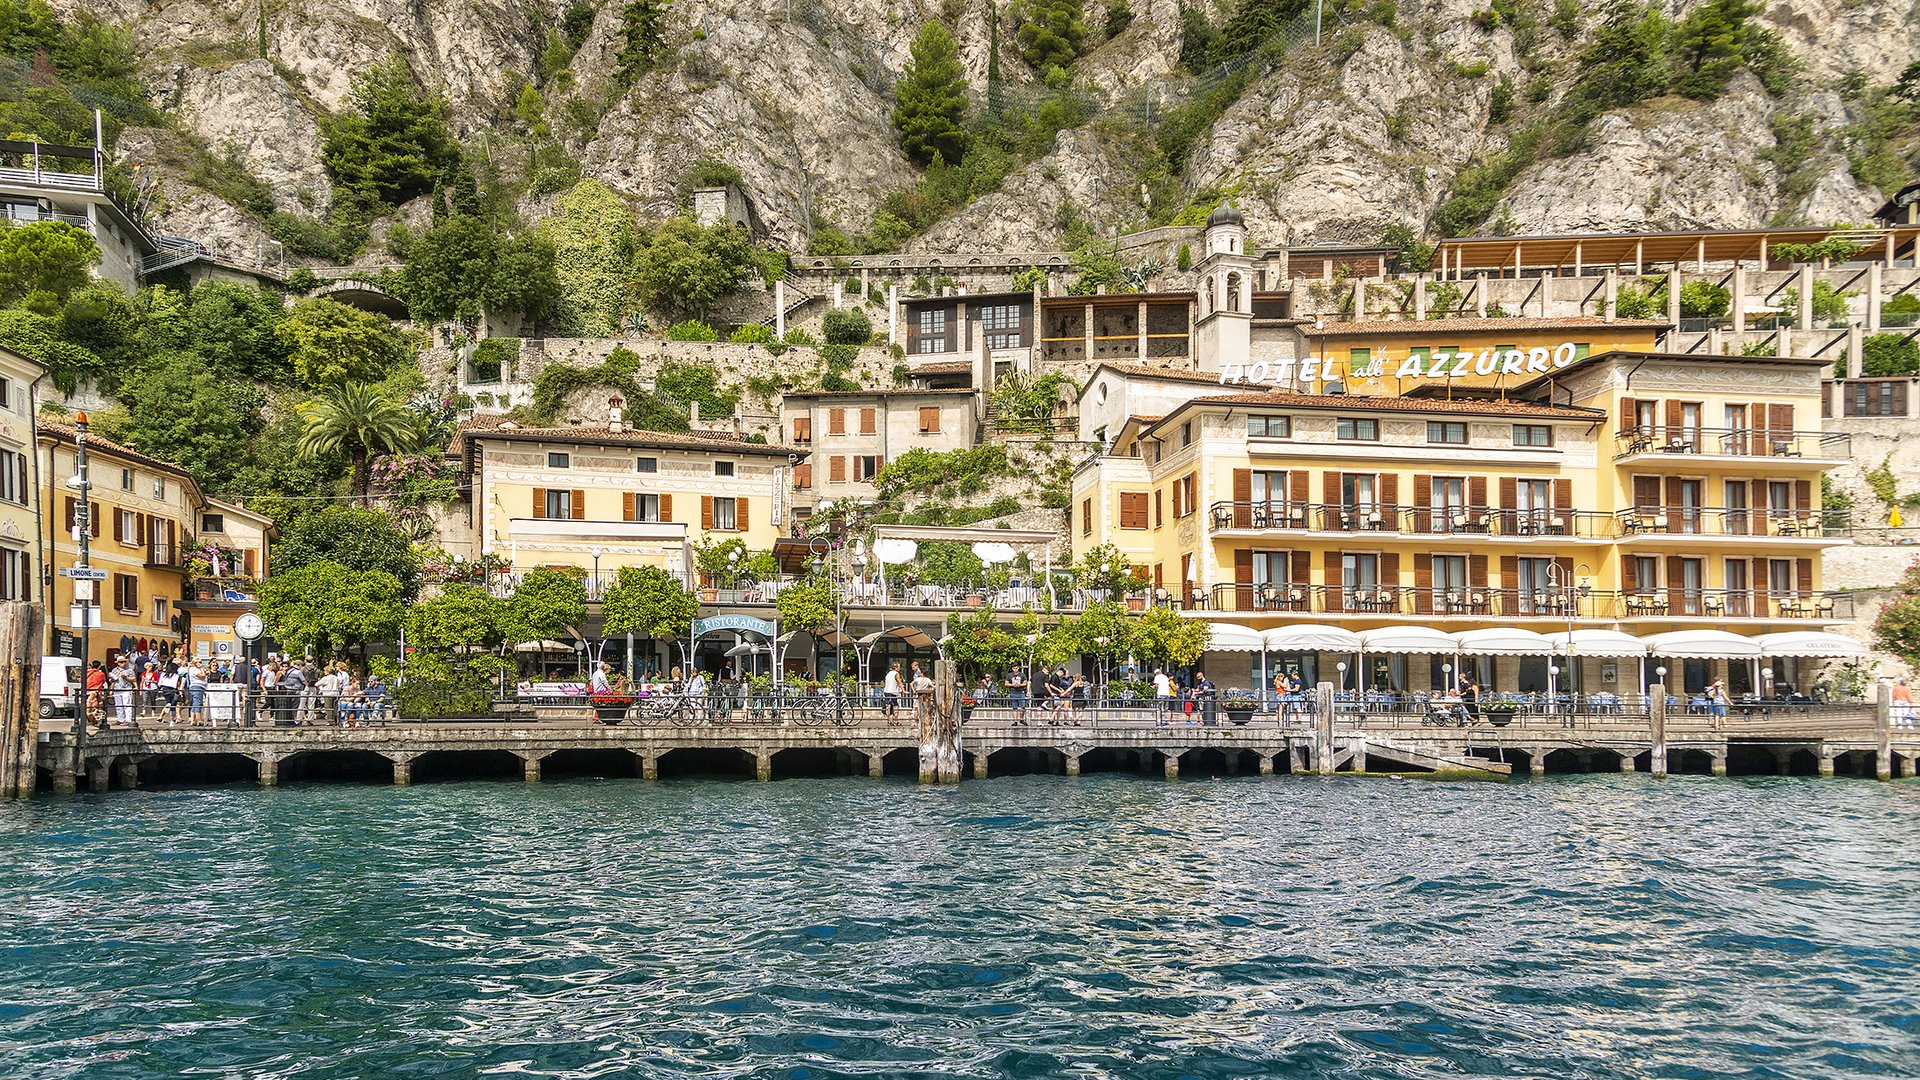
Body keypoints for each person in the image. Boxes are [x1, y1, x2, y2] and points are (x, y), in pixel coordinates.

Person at [108, 657, 136, 727]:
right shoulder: (114, 670)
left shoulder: (130, 670)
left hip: (126, 688)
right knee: (118, 705)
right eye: (121, 662)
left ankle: (128, 720)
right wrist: (111, 688)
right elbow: (113, 681)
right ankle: (120, 719)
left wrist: (125, 677)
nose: (123, 663)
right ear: (117, 663)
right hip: (117, 688)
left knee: (127, 704)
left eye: (124, 662)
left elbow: (133, 679)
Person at [84, 661, 107, 729]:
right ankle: (96, 721)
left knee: (87, 707)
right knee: (98, 706)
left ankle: (90, 720)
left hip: (86, 692)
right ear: (99, 666)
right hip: (96, 693)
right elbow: (104, 681)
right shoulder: (100, 674)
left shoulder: (86, 673)